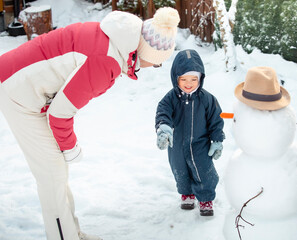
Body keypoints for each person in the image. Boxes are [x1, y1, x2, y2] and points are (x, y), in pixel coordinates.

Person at [0, 7, 180, 240]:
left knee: (57, 171)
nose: (152, 68)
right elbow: (60, 114)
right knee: (52, 174)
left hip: (28, 88)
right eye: (157, 63)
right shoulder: (107, 60)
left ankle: (70, 232)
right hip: (17, 91)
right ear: (146, 53)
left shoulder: (115, 38)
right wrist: (71, 148)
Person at [155, 49, 225, 216]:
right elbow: (162, 112)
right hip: (177, 144)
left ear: (200, 78)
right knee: (180, 170)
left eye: (194, 79)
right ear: (176, 78)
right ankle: (187, 193)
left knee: (204, 171)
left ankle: (206, 197)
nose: (189, 83)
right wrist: (163, 128)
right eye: (183, 79)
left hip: (200, 144)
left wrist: (217, 140)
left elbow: (216, 120)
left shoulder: (207, 99)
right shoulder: (170, 98)